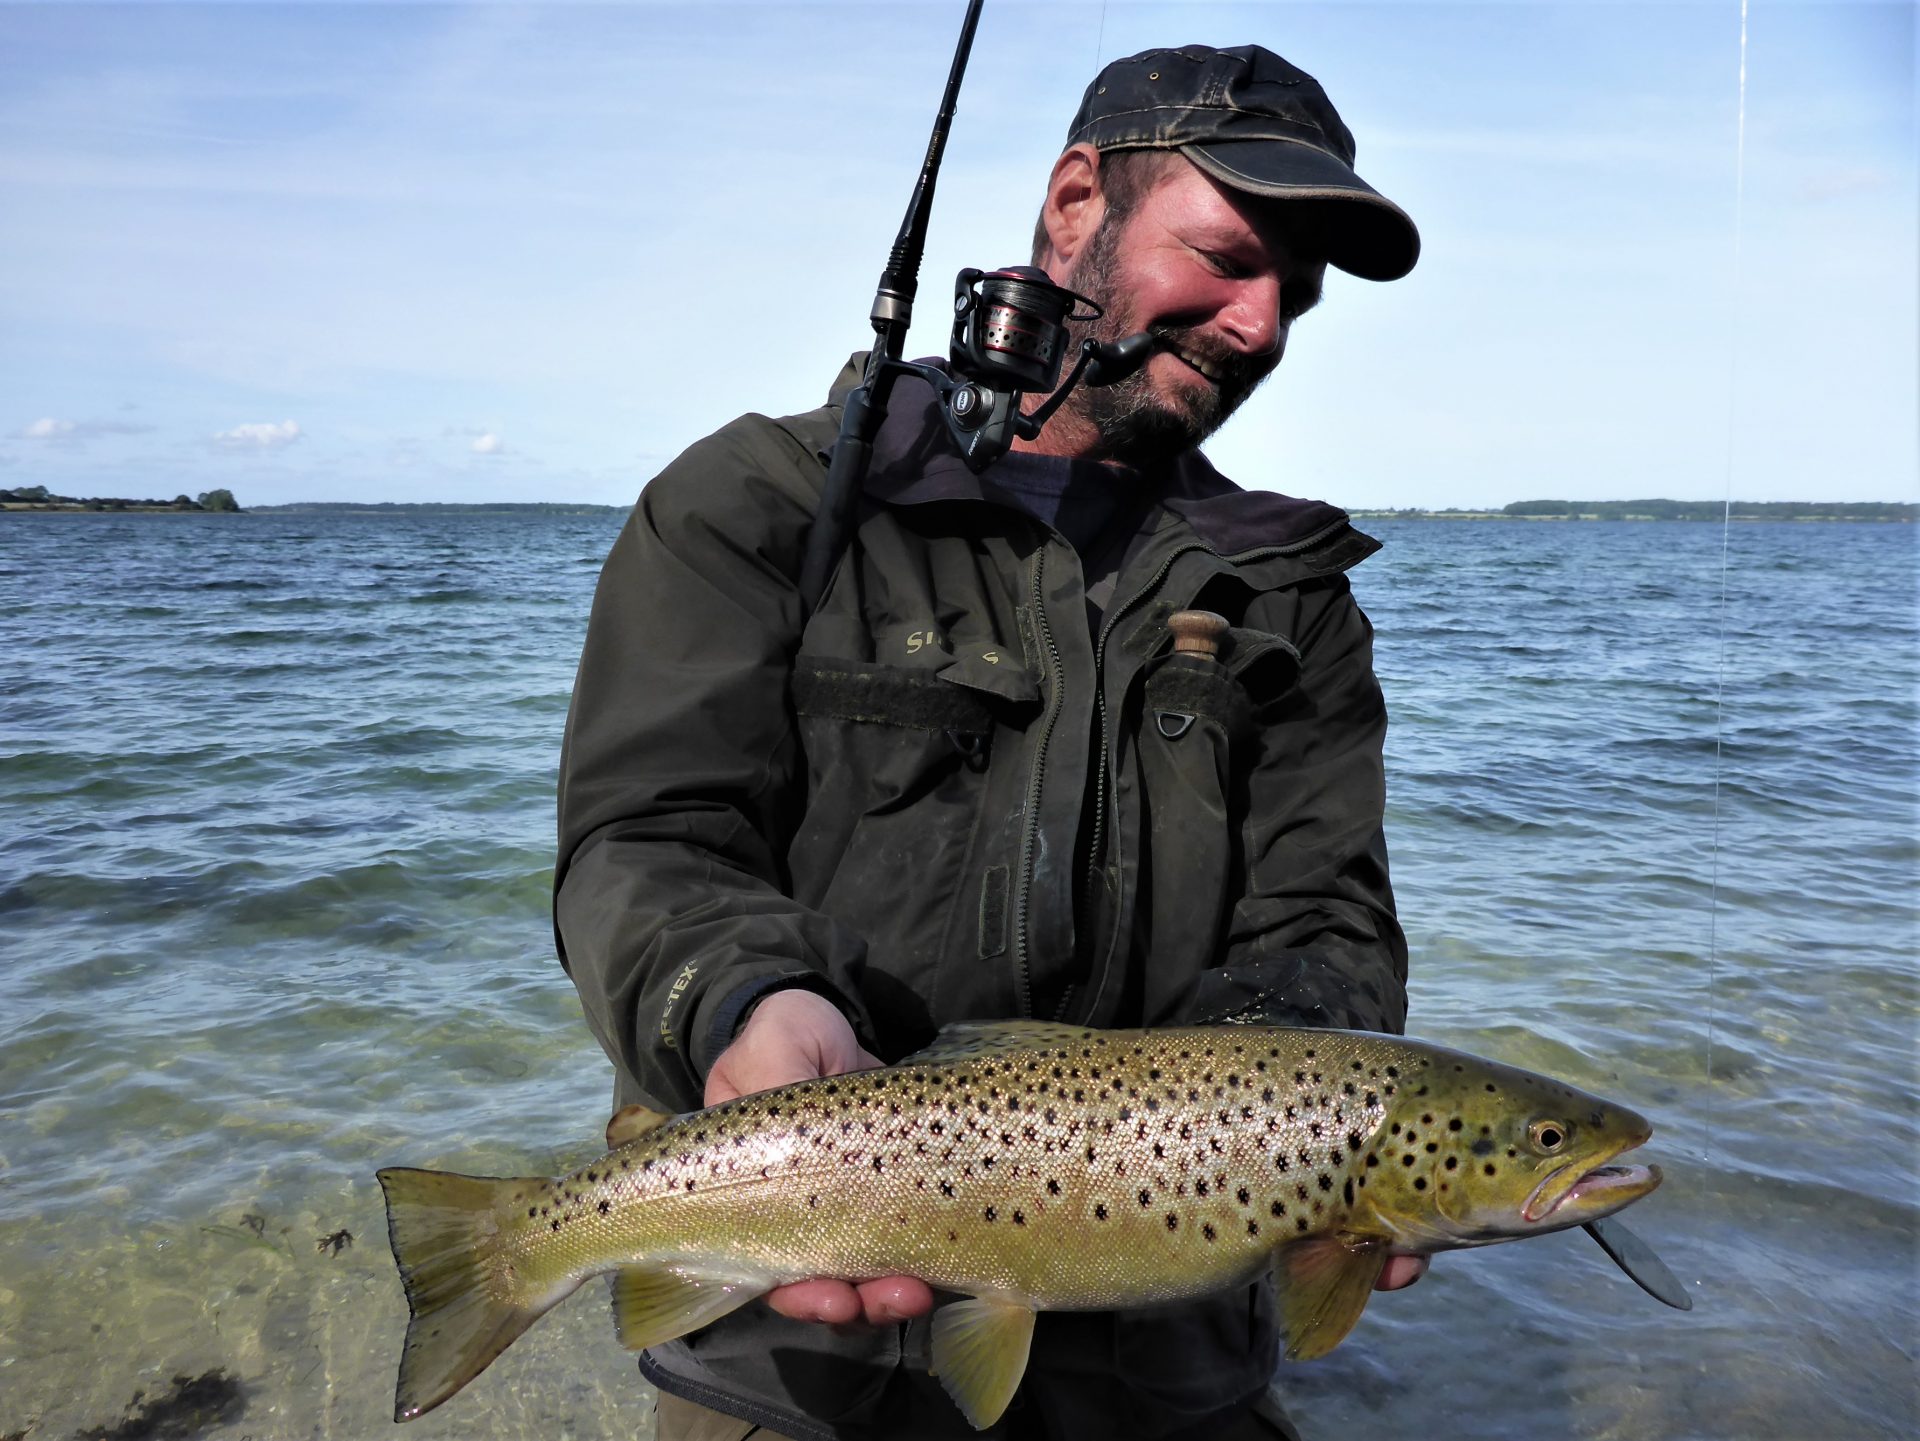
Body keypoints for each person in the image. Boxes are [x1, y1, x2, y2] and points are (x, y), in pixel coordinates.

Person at [556, 42, 1421, 1441]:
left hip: (1173, 1348)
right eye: (1228, 256)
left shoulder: (1288, 594)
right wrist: (739, 1003)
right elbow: (645, 842)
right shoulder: (756, 506)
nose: (1261, 325)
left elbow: (1329, 918)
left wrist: (1317, 1127)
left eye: (1296, 294)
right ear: (1077, 202)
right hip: (795, 1326)